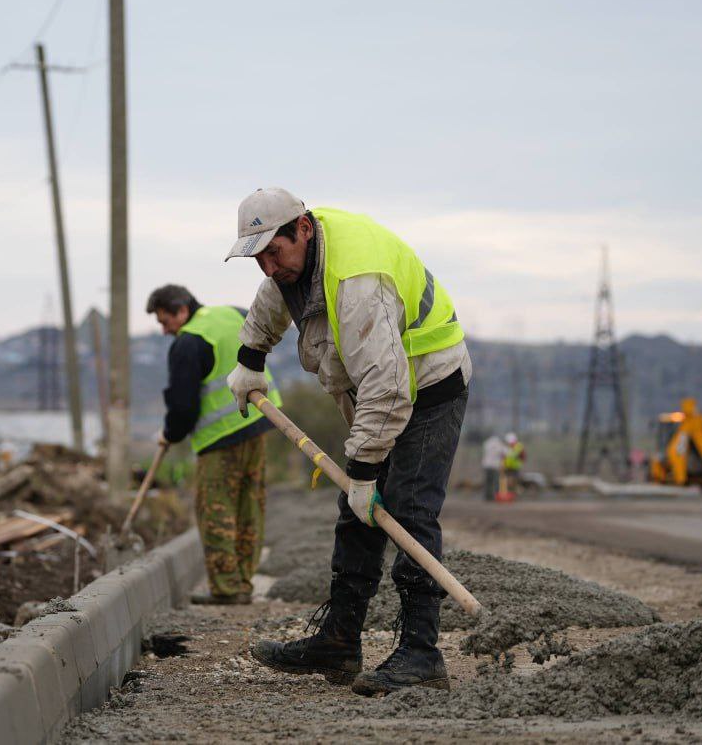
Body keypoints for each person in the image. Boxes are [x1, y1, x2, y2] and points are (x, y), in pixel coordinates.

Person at [223, 188, 471, 695]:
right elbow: (275, 299)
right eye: (260, 257)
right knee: (355, 511)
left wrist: (364, 473)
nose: (269, 267)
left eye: (276, 252)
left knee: (407, 508)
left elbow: (388, 388)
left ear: (304, 230)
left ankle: (422, 654)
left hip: (429, 386)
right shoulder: (293, 265)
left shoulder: (356, 282)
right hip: (385, 388)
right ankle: (338, 642)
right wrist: (250, 359)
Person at [146, 283, 281, 605]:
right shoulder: (232, 314)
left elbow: (183, 407)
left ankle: (226, 588)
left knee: (216, 510)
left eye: (165, 322)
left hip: (220, 438)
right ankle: (243, 582)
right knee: (250, 505)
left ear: (181, 310)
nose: (165, 331)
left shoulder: (189, 342)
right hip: (260, 421)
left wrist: (171, 433)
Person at [481, 434, 507, 501]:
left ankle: (487, 497)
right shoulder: (499, 445)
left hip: (486, 465)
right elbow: (505, 452)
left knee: (488, 482)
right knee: (496, 482)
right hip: (495, 466)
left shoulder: (487, 444)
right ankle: (496, 497)